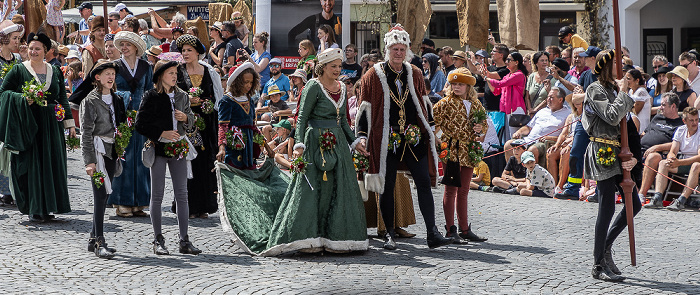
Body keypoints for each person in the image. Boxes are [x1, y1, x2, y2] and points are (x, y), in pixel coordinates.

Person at [356, 25, 453, 250]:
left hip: (413, 138)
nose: (399, 53)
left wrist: (432, 132)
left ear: (407, 50)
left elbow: (424, 105)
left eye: (402, 49)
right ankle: (389, 233)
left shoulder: (415, 72)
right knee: (387, 186)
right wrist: (361, 136)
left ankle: (432, 233)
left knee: (423, 183)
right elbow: (365, 108)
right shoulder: (374, 74)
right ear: (387, 49)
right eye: (394, 49)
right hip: (385, 139)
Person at [0, 32, 76, 222]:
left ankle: (49, 206)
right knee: (32, 165)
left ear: (47, 51)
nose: (33, 51)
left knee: (51, 165)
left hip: (51, 126)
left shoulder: (55, 71)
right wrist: (21, 99)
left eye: (37, 49)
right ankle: (35, 207)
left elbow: (62, 99)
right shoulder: (18, 70)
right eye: (31, 48)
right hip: (29, 125)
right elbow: (3, 93)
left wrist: (70, 124)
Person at [583, 49, 640, 282]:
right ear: (607, 66)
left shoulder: (614, 90)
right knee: (606, 206)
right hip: (601, 150)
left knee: (633, 204)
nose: (623, 68)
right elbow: (612, 116)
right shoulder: (594, 89)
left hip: (619, 151)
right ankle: (598, 264)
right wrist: (624, 93)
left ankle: (605, 247)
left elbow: (628, 126)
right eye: (618, 63)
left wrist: (635, 156)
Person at [135, 60, 201, 256]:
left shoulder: (182, 95)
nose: (174, 76)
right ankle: (158, 239)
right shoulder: (151, 96)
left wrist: (186, 118)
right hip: (158, 148)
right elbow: (140, 124)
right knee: (157, 194)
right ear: (160, 75)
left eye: (175, 73)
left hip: (179, 147)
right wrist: (161, 133)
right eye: (171, 73)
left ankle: (184, 239)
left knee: (182, 194)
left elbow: (192, 122)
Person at [432, 67, 488, 243]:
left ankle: (464, 229)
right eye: (454, 84)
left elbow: (484, 124)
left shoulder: (476, 104)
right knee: (451, 190)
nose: (456, 87)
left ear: (468, 87)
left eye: (460, 84)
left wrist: (480, 129)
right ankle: (450, 230)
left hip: (469, 151)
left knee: (464, 191)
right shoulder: (444, 103)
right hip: (452, 151)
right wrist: (442, 143)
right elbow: (433, 126)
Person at [175, 34, 224, 219]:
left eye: (189, 50)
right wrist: (187, 100)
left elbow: (217, 97)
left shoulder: (209, 71)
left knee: (204, 162)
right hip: (184, 124)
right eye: (183, 51)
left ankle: (204, 205)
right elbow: (172, 94)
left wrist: (205, 104)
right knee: (187, 162)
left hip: (205, 125)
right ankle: (187, 206)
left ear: (197, 52)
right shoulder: (178, 71)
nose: (185, 54)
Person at [80, 61, 125, 259]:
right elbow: (86, 134)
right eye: (107, 73)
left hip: (112, 151)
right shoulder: (90, 101)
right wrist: (89, 161)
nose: (111, 77)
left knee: (105, 196)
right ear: (97, 77)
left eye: (113, 73)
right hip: (98, 153)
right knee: (100, 197)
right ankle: (99, 241)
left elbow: (121, 125)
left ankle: (92, 239)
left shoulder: (116, 99)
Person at [108, 31, 153, 217]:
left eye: (128, 44)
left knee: (142, 159)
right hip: (122, 115)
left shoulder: (147, 67)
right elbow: (109, 89)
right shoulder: (115, 66)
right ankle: (122, 201)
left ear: (136, 47)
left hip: (141, 117)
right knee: (124, 157)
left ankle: (139, 202)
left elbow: (150, 90)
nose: (124, 48)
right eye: (122, 45)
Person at [644, 106, 700, 210]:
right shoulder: (680, 130)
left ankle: (682, 200)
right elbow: (672, 151)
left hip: (695, 163)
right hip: (683, 162)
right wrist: (671, 158)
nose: (695, 123)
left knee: (696, 165)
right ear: (684, 121)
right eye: (691, 120)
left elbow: (699, 157)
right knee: (663, 163)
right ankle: (657, 197)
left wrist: (679, 162)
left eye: (696, 120)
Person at [638, 93, 683, 200]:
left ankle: (641, 194)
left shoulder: (680, 125)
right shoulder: (657, 118)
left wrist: (657, 147)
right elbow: (645, 133)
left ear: (673, 106)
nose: (660, 107)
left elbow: (678, 143)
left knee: (653, 157)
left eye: (663, 105)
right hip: (640, 149)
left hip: (659, 154)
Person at [216, 62, 261, 169]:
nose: (249, 85)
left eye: (251, 82)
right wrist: (221, 148)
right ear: (237, 82)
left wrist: (266, 146)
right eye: (246, 82)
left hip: (249, 146)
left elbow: (253, 127)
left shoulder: (249, 100)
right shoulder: (226, 101)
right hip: (234, 144)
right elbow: (223, 126)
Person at [483, 51, 528, 137]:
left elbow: (500, 83)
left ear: (516, 62)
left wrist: (487, 78)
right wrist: (487, 78)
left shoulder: (519, 75)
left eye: (509, 60)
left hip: (515, 109)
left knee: (514, 137)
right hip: (505, 110)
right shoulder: (507, 75)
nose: (506, 62)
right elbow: (496, 91)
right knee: (506, 137)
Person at [547, 93, 582, 193]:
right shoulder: (571, 117)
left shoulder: (586, 116)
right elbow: (563, 133)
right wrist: (556, 144)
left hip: (578, 142)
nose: (577, 103)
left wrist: (571, 142)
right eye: (575, 101)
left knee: (565, 152)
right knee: (551, 153)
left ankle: (560, 185)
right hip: (567, 140)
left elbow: (583, 134)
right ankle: (552, 184)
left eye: (579, 101)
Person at [627, 69, 652, 133]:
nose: (626, 81)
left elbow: (635, 111)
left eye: (629, 79)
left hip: (642, 129)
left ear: (637, 80)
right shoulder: (630, 91)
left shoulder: (641, 91)